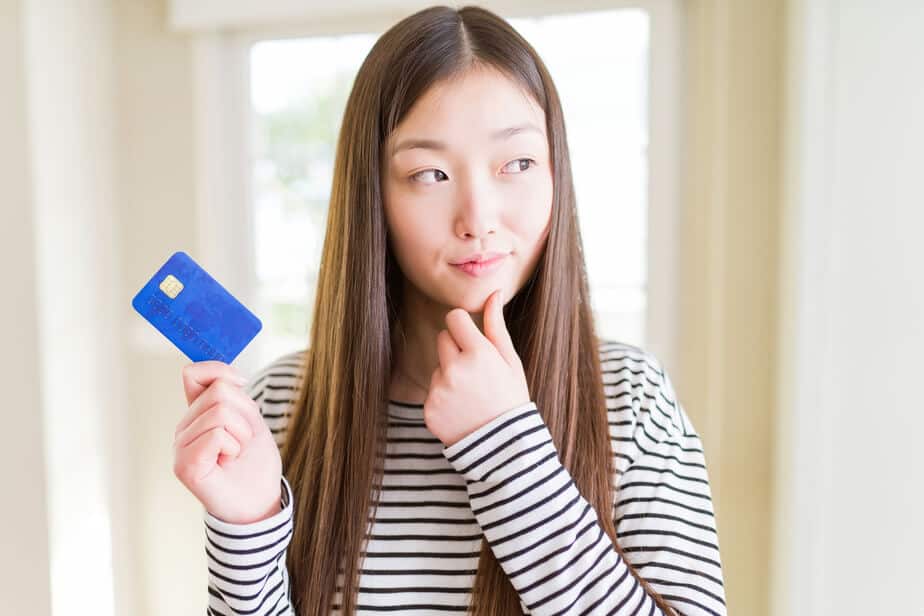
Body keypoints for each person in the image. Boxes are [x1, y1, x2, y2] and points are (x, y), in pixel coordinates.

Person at [172, 5, 727, 615]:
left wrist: (506, 444)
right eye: (430, 173)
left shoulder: (631, 399)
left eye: (517, 164)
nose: (479, 218)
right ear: (373, 197)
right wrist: (247, 528)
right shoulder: (280, 404)